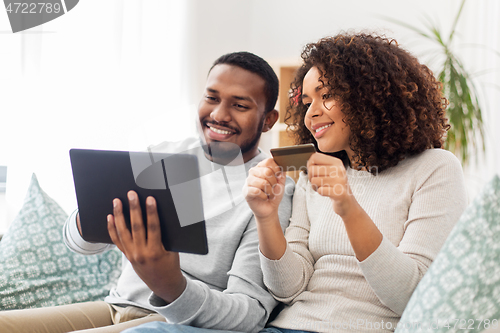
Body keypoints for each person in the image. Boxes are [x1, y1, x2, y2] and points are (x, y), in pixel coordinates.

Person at [123, 32, 468, 333]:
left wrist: (348, 208)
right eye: (306, 102)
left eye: (326, 95)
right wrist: (266, 218)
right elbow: (288, 289)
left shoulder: (435, 169)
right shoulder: (312, 175)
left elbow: (413, 296)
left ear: (372, 96)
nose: (311, 113)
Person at [0, 52, 294, 333]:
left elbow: (250, 315)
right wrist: (90, 220)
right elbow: (80, 243)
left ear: (268, 120)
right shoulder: (165, 154)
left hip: (173, 322)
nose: (218, 114)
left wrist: (171, 285)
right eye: (211, 98)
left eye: (239, 105)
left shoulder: (269, 188)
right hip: (116, 305)